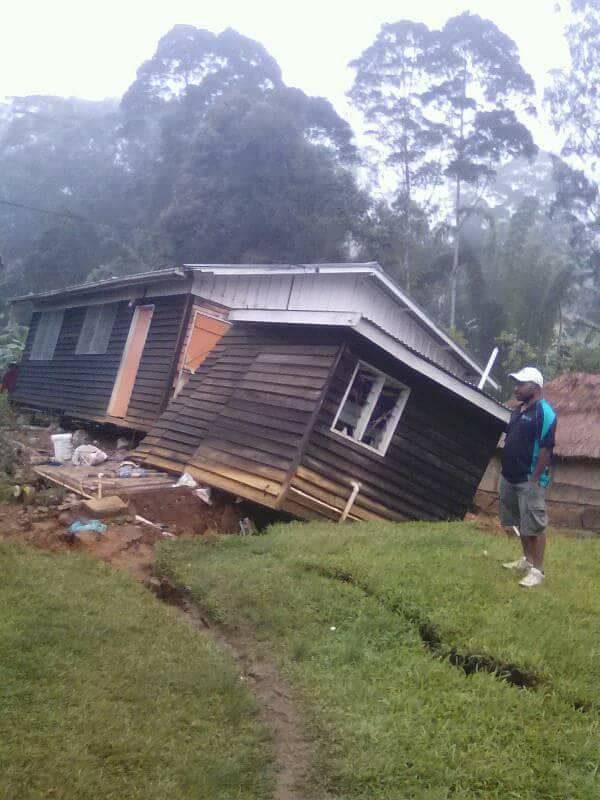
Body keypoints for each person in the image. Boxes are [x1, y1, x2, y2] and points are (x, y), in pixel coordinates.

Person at [499, 367, 557, 588]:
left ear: (535, 387)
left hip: (529, 479)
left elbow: (546, 449)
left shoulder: (545, 413)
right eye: (516, 384)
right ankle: (526, 560)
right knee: (520, 522)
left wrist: (534, 479)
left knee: (535, 525)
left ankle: (537, 571)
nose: (516, 388)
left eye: (521, 384)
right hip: (509, 476)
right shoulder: (518, 410)